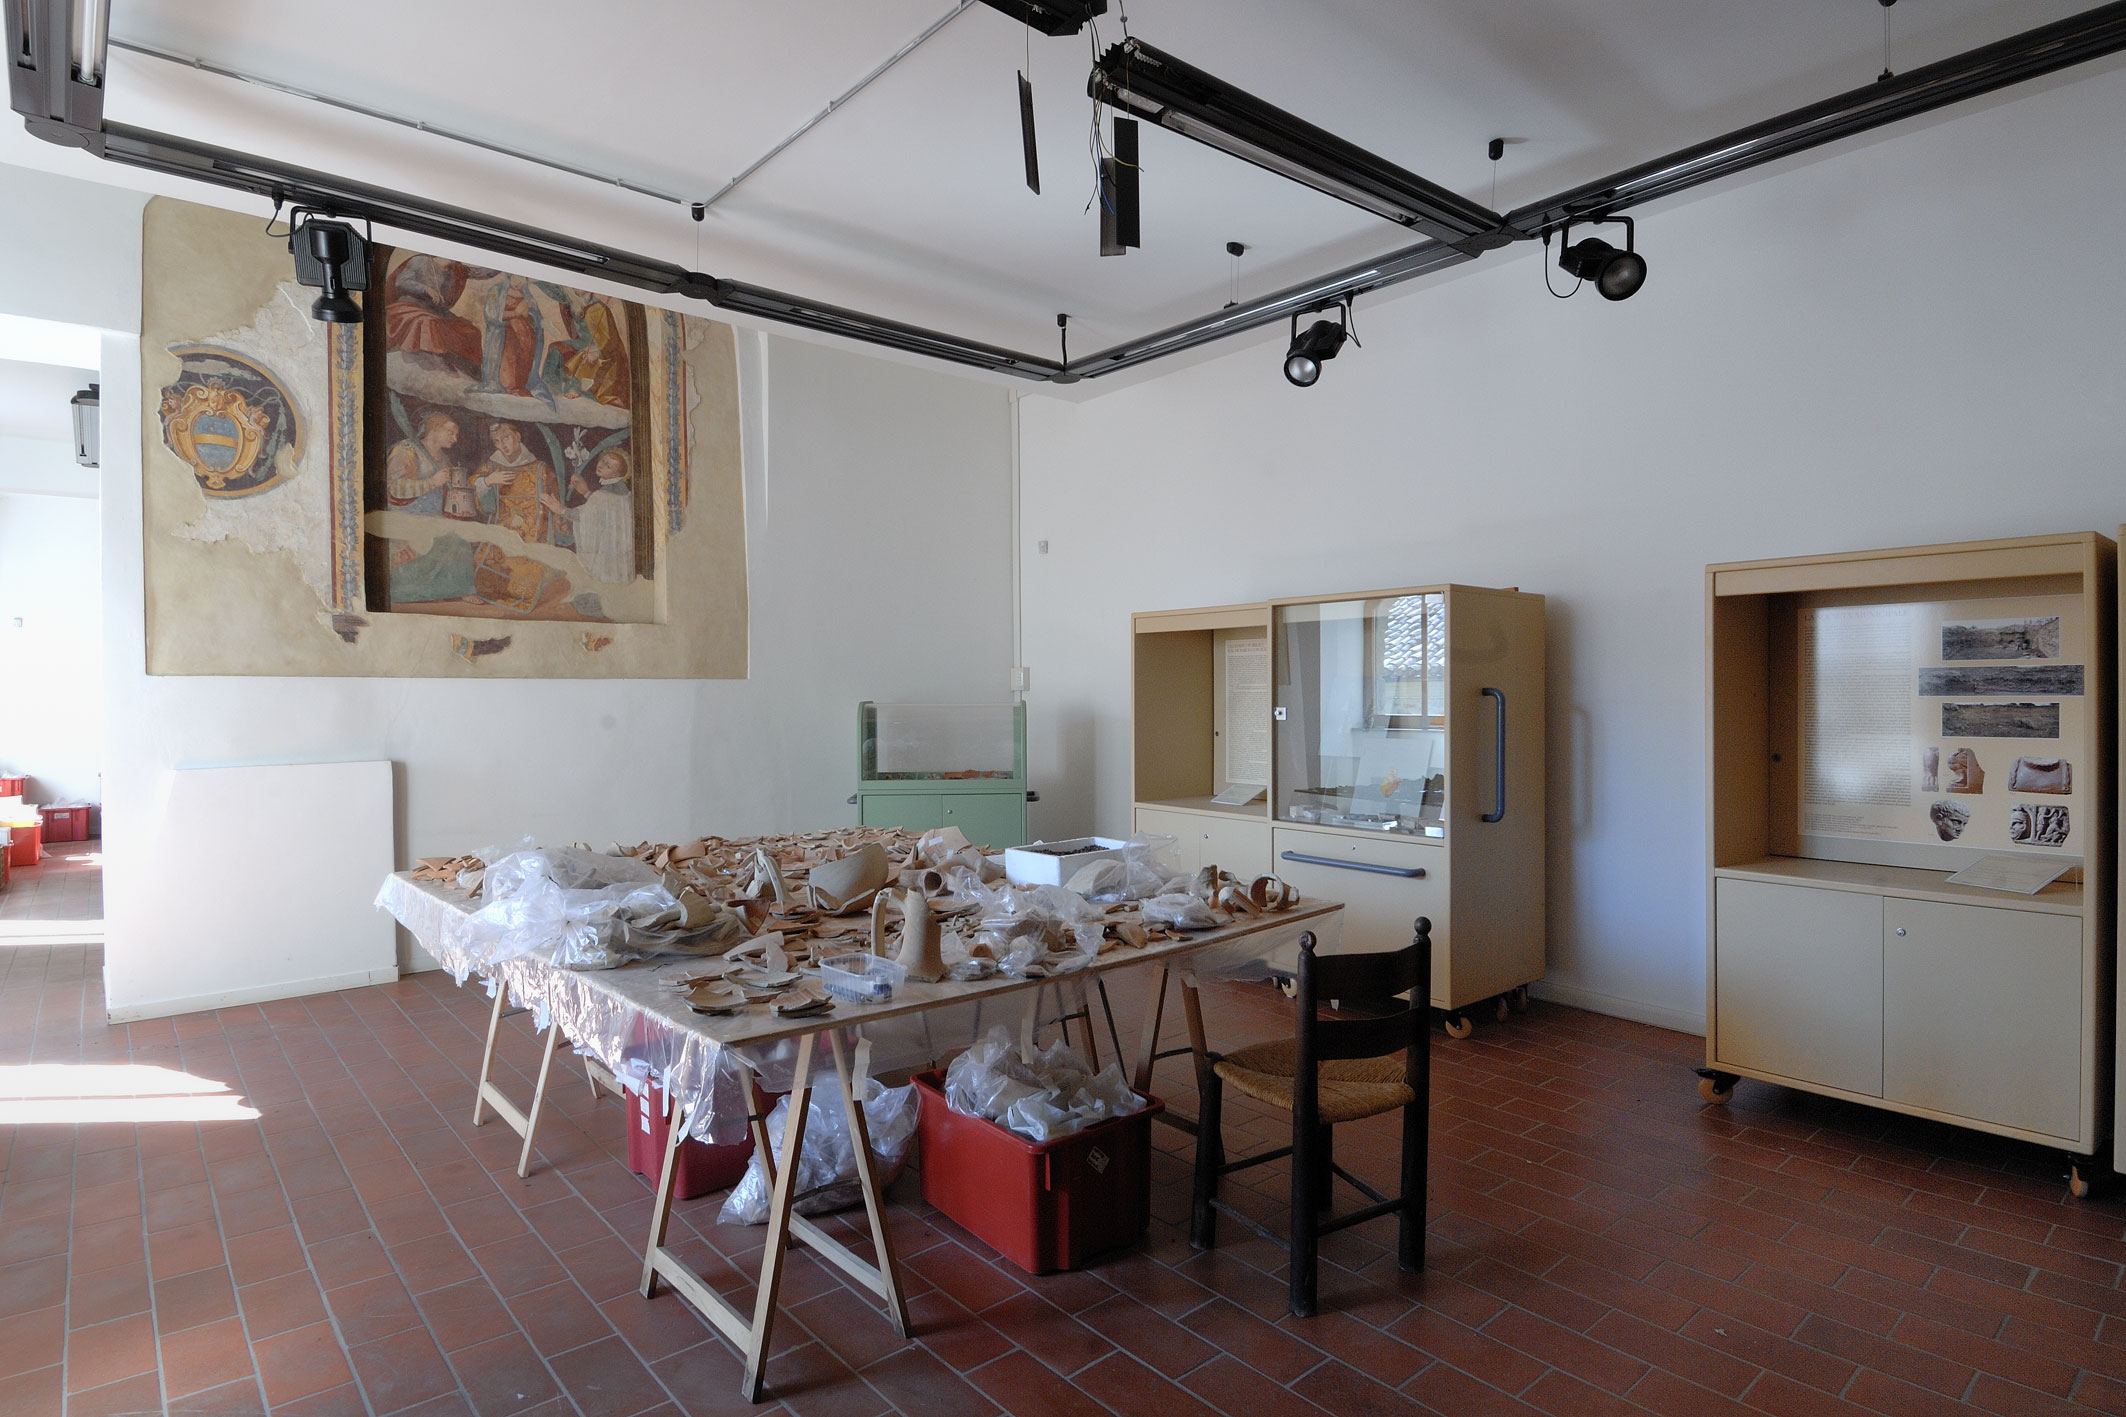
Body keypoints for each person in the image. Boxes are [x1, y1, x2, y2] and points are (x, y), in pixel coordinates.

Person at [383, 256, 486, 373]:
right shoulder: (421, 261)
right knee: (428, 322)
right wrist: (426, 289)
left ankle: (466, 367)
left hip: (434, 311)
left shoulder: (451, 271)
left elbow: (483, 273)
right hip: (410, 305)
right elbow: (401, 282)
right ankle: (429, 356)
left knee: (470, 330)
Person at [474, 422, 564, 544]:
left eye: (506, 438)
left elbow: (556, 503)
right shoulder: (490, 467)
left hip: (534, 536)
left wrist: (558, 517)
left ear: (517, 436)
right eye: (497, 441)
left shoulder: (541, 469)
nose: (502, 445)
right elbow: (475, 493)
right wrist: (487, 482)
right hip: (500, 536)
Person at [565, 447, 636, 583]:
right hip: (619, 551)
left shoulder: (601, 495)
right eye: (603, 460)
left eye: (608, 466)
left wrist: (560, 509)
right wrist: (586, 493)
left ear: (617, 474)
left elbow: (585, 516)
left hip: (606, 551)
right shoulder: (625, 493)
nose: (601, 465)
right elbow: (604, 510)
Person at [382, 412, 469, 518]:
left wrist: (459, 506)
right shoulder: (407, 450)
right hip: (406, 518)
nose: (455, 439)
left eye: (456, 435)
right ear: (435, 428)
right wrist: (432, 482)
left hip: (435, 519)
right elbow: (393, 487)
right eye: (450, 433)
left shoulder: (445, 460)